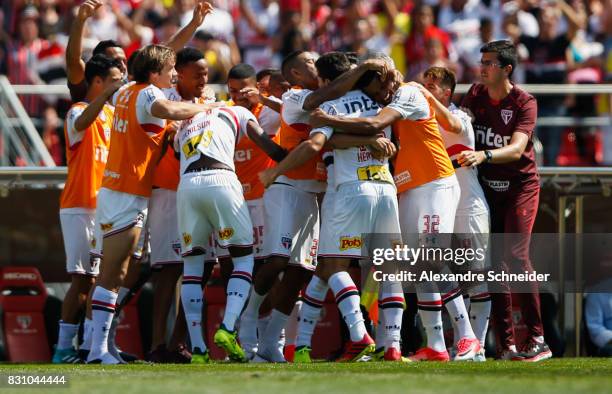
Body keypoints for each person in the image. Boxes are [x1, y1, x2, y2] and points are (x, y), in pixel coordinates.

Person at [307, 58, 476, 362]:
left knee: (431, 261)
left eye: (384, 83)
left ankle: (467, 337)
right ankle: (435, 345)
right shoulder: (378, 101)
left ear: (391, 77)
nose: (381, 91)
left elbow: (374, 126)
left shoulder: (410, 91)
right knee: (414, 266)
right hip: (407, 186)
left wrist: (327, 120)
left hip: (436, 183)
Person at [243, 50, 389, 363]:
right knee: (283, 262)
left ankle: (278, 343)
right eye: (308, 60)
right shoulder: (301, 96)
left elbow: (328, 137)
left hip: (330, 192)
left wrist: (365, 134)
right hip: (294, 188)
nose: (314, 60)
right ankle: (247, 329)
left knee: (309, 270)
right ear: (296, 73)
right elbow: (320, 138)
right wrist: (369, 135)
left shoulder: (338, 102)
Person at [87, 44, 219, 364]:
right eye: (170, 69)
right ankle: (96, 350)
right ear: (154, 72)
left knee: (114, 273)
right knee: (113, 274)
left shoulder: (126, 93)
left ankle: (102, 346)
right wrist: (206, 109)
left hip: (117, 189)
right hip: (128, 192)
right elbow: (169, 111)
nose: (174, 75)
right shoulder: (147, 93)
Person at [174, 97, 287, 363]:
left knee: (192, 267)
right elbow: (268, 146)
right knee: (244, 259)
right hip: (220, 180)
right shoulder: (237, 111)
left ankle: (199, 350)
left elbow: (178, 153)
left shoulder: (187, 121)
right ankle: (227, 328)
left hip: (187, 186)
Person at [459, 40, 552, 362]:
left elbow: (514, 150)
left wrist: (482, 154)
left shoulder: (525, 102)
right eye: (481, 61)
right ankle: (506, 345)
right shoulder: (474, 94)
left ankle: (539, 338)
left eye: (489, 63)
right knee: (494, 265)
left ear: (507, 69)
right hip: (488, 188)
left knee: (515, 256)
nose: (481, 67)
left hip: (519, 187)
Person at [416, 66, 491, 361]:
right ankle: (438, 343)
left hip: (468, 207)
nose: (426, 89)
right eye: (425, 83)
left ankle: (478, 347)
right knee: (427, 265)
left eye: (432, 86)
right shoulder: (422, 121)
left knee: (475, 277)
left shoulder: (459, 117)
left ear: (447, 93)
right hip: (439, 205)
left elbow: (451, 124)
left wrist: (423, 95)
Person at [52, 54, 123, 364]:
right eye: (111, 81)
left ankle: (93, 347)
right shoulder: (77, 112)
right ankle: (63, 348)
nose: (116, 86)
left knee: (100, 279)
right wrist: (107, 96)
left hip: (105, 206)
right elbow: (81, 124)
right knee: (81, 280)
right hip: (79, 206)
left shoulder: (110, 114)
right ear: (98, 82)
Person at [146, 47, 212, 364]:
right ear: (180, 73)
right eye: (197, 73)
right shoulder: (163, 99)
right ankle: (157, 342)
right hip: (167, 193)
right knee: (168, 270)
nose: (204, 78)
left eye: (206, 73)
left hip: (198, 193)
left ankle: (179, 342)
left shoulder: (208, 103)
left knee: (200, 266)